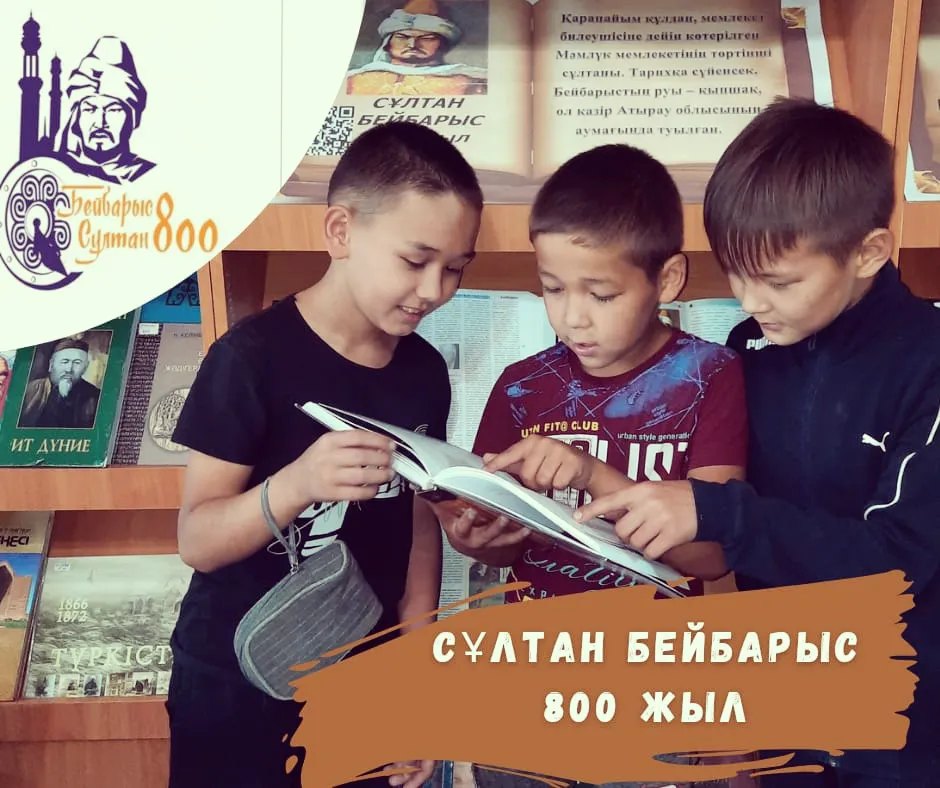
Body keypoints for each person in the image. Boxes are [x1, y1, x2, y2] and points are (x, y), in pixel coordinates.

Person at [575, 98, 940, 786]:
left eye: (778, 282)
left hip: (902, 729)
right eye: (735, 273)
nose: (749, 301)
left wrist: (718, 511)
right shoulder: (751, 349)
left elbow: (895, 564)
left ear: (868, 253)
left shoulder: (928, 365)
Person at [165, 120, 483, 788]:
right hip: (236, 681)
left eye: (455, 268)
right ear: (340, 231)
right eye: (415, 261)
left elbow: (418, 524)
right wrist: (298, 483)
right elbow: (197, 539)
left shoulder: (424, 372)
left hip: (362, 678)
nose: (435, 290)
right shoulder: (249, 359)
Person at [437, 143, 749, 788]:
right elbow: (505, 542)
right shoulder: (522, 387)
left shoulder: (711, 377)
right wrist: (477, 536)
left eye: (601, 294)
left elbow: (712, 555)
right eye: (552, 288)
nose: (572, 317)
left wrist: (591, 475)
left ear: (667, 280)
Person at [55, 36, 155, 184]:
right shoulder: (55, 171)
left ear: (132, 119)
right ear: (77, 118)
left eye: (113, 110)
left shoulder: (150, 177)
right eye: (90, 109)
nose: (100, 123)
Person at [346, 0, 487, 96]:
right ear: (387, 43)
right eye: (402, 37)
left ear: (443, 44)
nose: (412, 45)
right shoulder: (353, 80)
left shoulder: (470, 82)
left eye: (427, 38)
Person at [19, 338, 101, 429]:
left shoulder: (96, 396)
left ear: (85, 367)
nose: (69, 369)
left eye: (77, 363)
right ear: (51, 364)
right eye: (64, 362)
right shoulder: (29, 390)